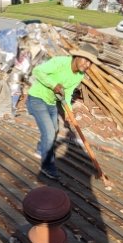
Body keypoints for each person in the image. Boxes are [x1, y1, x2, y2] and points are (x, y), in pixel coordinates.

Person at [26, 44, 100, 180]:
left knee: (53, 130)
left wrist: (68, 113)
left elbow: (68, 93)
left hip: (52, 102)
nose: (87, 64)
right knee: (49, 132)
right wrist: (53, 85)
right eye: (85, 60)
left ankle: (40, 149)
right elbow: (37, 71)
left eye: (90, 62)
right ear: (77, 56)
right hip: (37, 99)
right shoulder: (60, 62)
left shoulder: (80, 75)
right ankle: (47, 165)